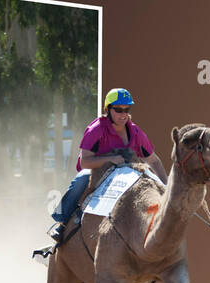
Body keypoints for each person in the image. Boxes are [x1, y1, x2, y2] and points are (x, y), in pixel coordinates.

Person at [46, 88, 167, 244]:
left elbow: (154, 161)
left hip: (127, 173)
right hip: (97, 171)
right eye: (118, 109)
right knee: (81, 180)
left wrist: (165, 186)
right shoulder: (95, 130)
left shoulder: (136, 132)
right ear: (108, 109)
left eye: (127, 109)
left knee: (150, 184)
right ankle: (62, 223)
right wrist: (111, 159)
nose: (123, 114)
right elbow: (84, 162)